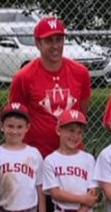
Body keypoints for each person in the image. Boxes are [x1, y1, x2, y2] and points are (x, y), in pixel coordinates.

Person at [9, 16, 91, 159]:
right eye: (49, 41)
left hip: (72, 152)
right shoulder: (24, 77)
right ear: (38, 43)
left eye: (59, 40)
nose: (55, 46)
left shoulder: (80, 73)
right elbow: (16, 117)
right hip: (37, 154)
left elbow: (82, 111)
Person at [42, 109, 97, 212]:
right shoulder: (51, 160)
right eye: (70, 130)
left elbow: (92, 193)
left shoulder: (88, 159)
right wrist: (83, 199)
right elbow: (55, 193)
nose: (75, 136)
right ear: (59, 130)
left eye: (79, 132)